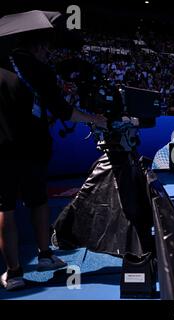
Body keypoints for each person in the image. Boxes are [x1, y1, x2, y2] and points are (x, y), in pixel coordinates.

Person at [0, 32, 107, 290]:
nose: (48, 52)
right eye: (46, 47)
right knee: (38, 202)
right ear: (37, 46)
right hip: (34, 150)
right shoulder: (40, 71)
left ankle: (13, 273)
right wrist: (96, 119)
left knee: (5, 209)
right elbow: (65, 112)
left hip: (2, 152)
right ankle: (45, 255)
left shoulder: (5, 67)